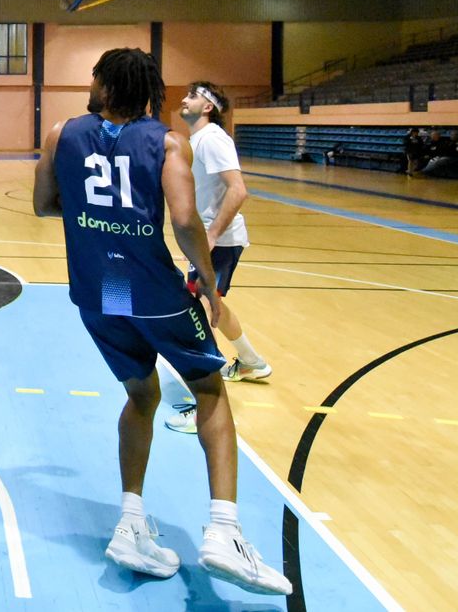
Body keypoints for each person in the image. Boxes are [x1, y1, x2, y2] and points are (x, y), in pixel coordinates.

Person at [32, 48, 290, 596]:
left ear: (105, 83)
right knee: (210, 392)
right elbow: (182, 219)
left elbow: (43, 204)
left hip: (101, 292)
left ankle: (130, 522)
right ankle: (224, 531)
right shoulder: (168, 142)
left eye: (96, 76)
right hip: (154, 289)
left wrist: (94, 214)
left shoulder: (60, 134)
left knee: (142, 395)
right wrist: (207, 281)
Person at [165, 82, 272, 436]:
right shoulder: (197, 140)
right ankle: (251, 363)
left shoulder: (212, 138)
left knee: (192, 313)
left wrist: (210, 236)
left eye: (193, 95)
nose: (184, 99)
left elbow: (238, 190)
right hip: (211, 241)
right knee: (213, 306)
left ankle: (205, 408)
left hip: (219, 242)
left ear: (208, 107)